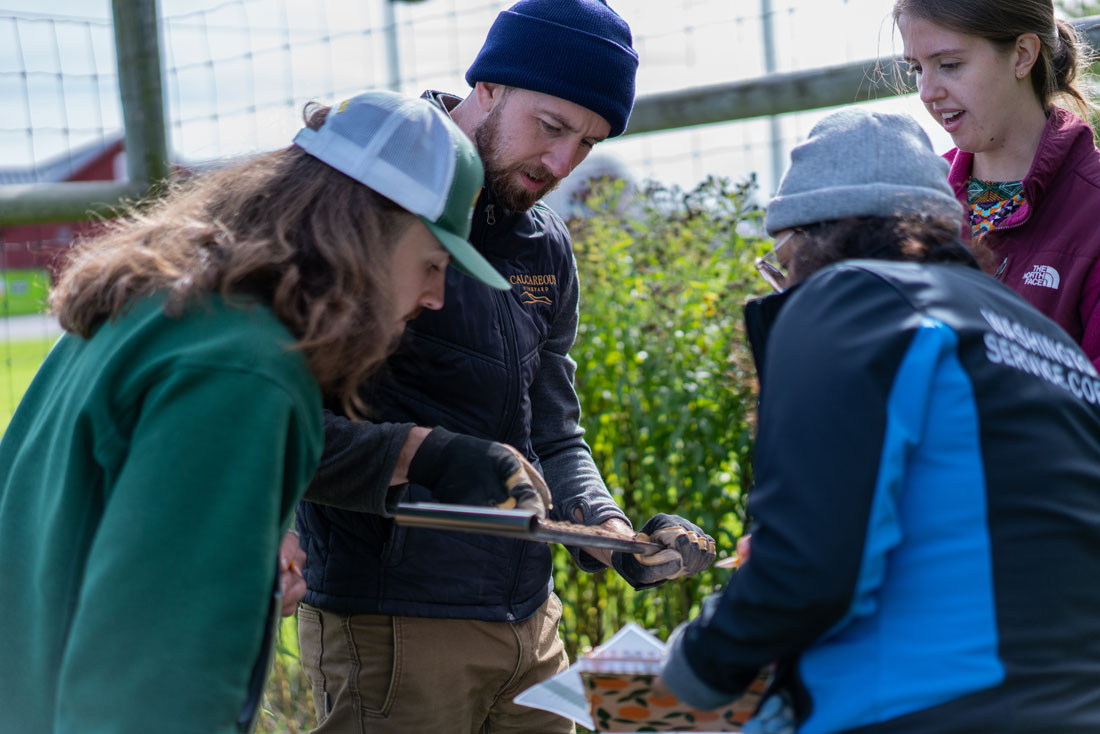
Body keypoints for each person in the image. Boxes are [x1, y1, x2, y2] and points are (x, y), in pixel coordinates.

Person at [0, 89, 509, 734]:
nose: (436, 296)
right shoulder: (244, 372)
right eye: (433, 264)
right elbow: (159, 686)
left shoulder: (154, 306)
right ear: (367, 231)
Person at [293, 1, 716, 732]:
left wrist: (607, 529)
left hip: (531, 620)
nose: (560, 164)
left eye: (588, 143)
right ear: (485, 86)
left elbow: (553, 425)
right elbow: (280, 429)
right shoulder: (361, 198)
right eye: (551, 126)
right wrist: (431, 458)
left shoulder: (546, 244)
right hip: (394, 625)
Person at [659, 108, 1100, 732]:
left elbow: (810, 566)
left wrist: (698, 664)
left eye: (780, 261)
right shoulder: (1025, 324)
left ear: (810, 239)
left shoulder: (853, 296)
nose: (783, 280)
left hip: (927, 706)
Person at [895, 0, 1100, 368]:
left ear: (1022, 55)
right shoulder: (912, 203)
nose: (926, 92)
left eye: (949, 65)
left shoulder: (1092, 209)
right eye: (916, 69)